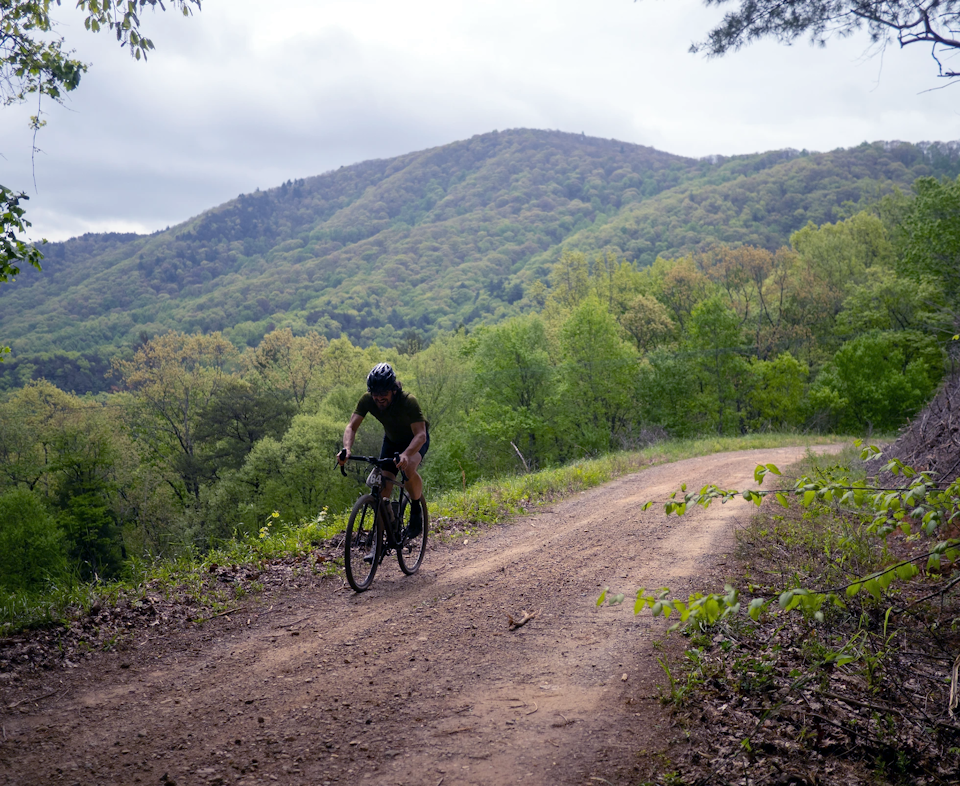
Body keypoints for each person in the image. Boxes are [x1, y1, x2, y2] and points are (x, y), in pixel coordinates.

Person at [338, 363, 429, 540]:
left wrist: (405, 454)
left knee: (408, 467)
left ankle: (416, 509)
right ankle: (379, 539)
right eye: (375, 394)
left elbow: (421, 435)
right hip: (392, 441)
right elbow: (351, 426)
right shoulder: (367, 400)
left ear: (393, 390)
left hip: (415, 440)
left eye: (383, 394)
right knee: (382, 488)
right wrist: (347, 449)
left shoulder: (408, 401)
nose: (379, 399)